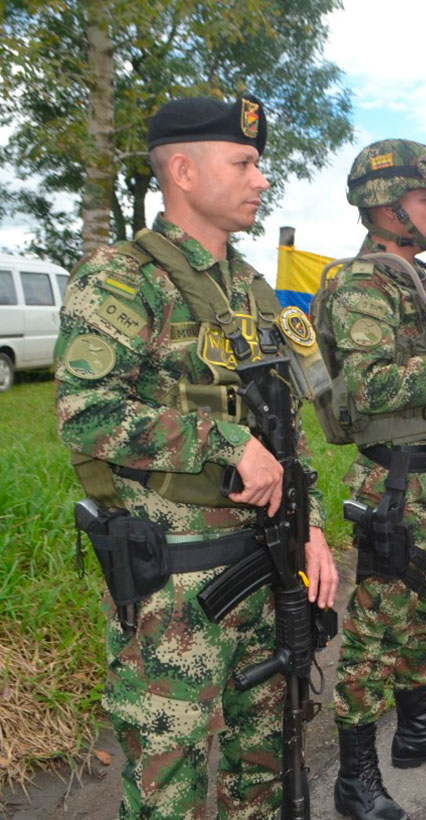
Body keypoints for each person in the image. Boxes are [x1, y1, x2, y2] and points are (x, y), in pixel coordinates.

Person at [55, 95, 338, 820]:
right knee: (168, 795)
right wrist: (226, 442)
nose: (261, 179)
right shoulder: (122, 279)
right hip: (173, 592)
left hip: (267, 569)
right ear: (182, 171)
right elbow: (86, 415)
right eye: (243, 163)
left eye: (258, 165)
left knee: (263, 777)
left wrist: (312, 525)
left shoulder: (251, 288)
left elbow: (287, 425)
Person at [311, 139, 426, 820]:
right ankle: (355, 779)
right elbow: (369, 385)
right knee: (375, 631)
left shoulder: (420, 284)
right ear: (390, 209)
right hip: (396, 486)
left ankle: (416, 730)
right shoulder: (362, 284)